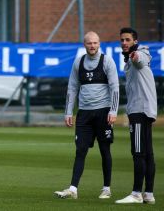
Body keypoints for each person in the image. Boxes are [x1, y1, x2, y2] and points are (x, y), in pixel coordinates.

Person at [54, 31, 119, 200]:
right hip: (84, 113)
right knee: (80, 150)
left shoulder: (107, 61)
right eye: (89, 43)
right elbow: (72, 88)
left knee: (105, 150)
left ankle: (106, 188)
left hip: (104, 112)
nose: (93, 46)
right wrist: (69, 112)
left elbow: (115, 88)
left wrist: (113, 111)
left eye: (95, 43)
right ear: (85, 45)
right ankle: (73, 189)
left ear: (99, 44)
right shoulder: (78, 62)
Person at [115, 27, 157, 205]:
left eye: (127, 40)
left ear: (135, 42)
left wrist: (136, 56)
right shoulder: (130, 59)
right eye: (122, 40)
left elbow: (141, 60)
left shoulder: (140, 54)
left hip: (139, 111)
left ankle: (136, 193)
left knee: (138, 153)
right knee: (148, 154)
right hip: (144, 110)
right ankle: (148, 194)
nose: (124, 43)